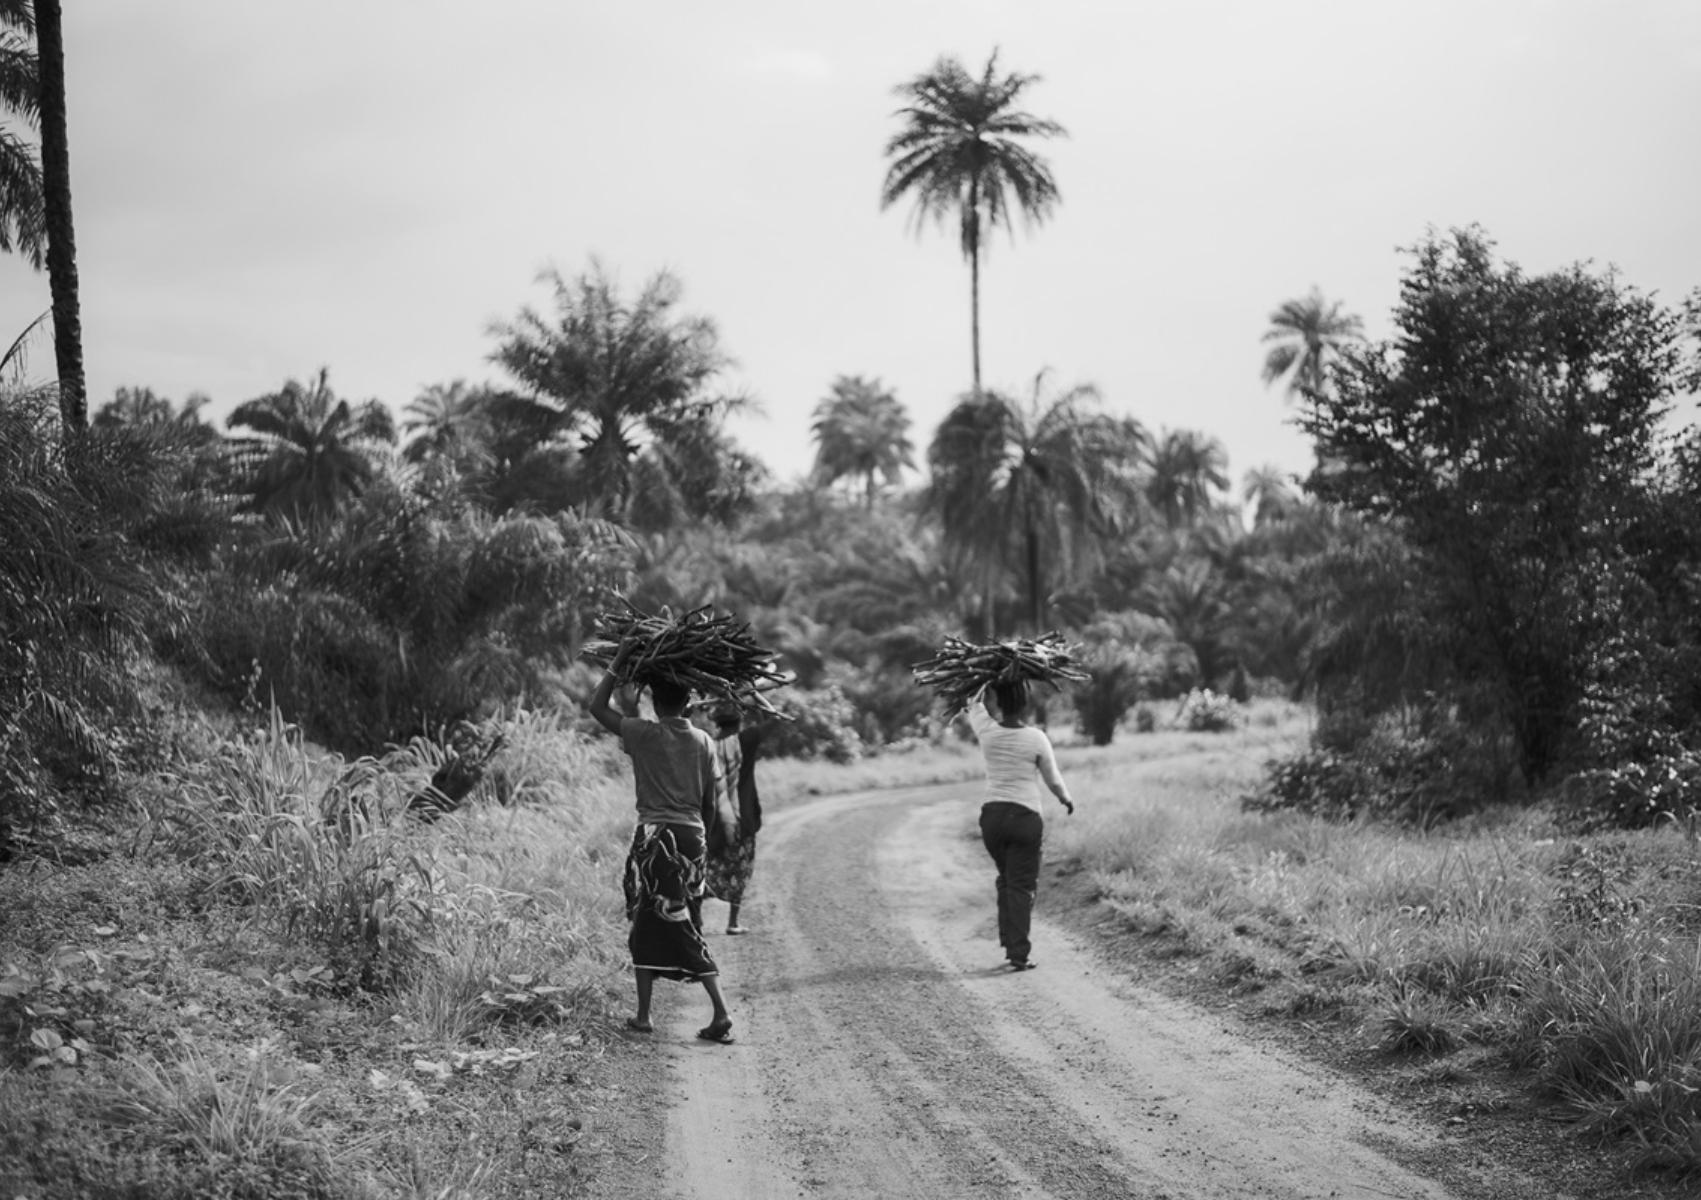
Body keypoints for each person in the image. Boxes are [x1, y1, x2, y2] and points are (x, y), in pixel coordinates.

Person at [589, 651, 739, 1044]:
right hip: (692, 837)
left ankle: (718, 1012)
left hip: (656, 838)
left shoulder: (643, 733)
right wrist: (701, 842)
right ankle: (643, 1015)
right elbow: (709, 802)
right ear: (689, 701)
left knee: (657, 920)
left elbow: (596, 706)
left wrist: (619, 663)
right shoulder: (704, 741)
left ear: (654, 701)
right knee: (665, 918)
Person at [964, 678, 1076, 971]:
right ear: (1025, 704)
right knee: (1021, 885)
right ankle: (1018, 952)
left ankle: (1009, 941)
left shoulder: (987, 731)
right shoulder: (1036, 738)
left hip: (992, 819)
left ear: (998, 702)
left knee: (1006, 878)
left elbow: (971, 703)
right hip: (1024, 818)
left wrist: (985, 679)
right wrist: (1066, 799)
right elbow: (1052, 779)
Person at [704, 703, 765, 934]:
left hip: (712, 818)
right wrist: (755, 701)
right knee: (740, 867)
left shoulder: (706, 744)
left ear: (717, 722)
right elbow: (770, 722)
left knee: (707, 865)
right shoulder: (746, 740)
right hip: (742, 816)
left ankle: (697, 921)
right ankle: (732, 922)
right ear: (739, 721)